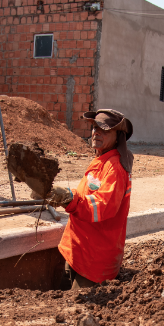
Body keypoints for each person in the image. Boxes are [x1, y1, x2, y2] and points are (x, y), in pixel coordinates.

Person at [48, 109, 133, 289]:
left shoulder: (115, 168)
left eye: (105, 130)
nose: (96, 132)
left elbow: (102, 206)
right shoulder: (101, 159)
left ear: (118, 137)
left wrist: (69, 199)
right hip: (77, 250)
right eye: (95, 128)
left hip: (95, 260)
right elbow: (89, 194)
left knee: (76, 309)